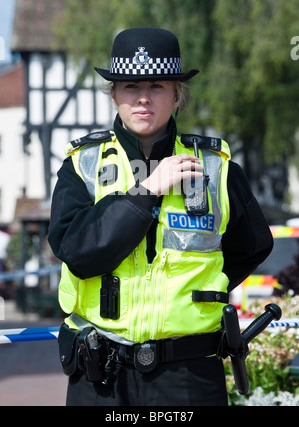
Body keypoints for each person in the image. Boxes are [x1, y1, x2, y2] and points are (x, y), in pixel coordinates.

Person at [48, 27, 273, 406]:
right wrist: (147, 191)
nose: (142, 98)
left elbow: (252, 246)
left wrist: (199, 295)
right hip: (101, 375)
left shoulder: (216, 168)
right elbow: (79, 252)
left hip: (189, 375)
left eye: (156, 86)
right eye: (130, 86)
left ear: (177, 95)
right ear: (114, 94)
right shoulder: (82, 164)